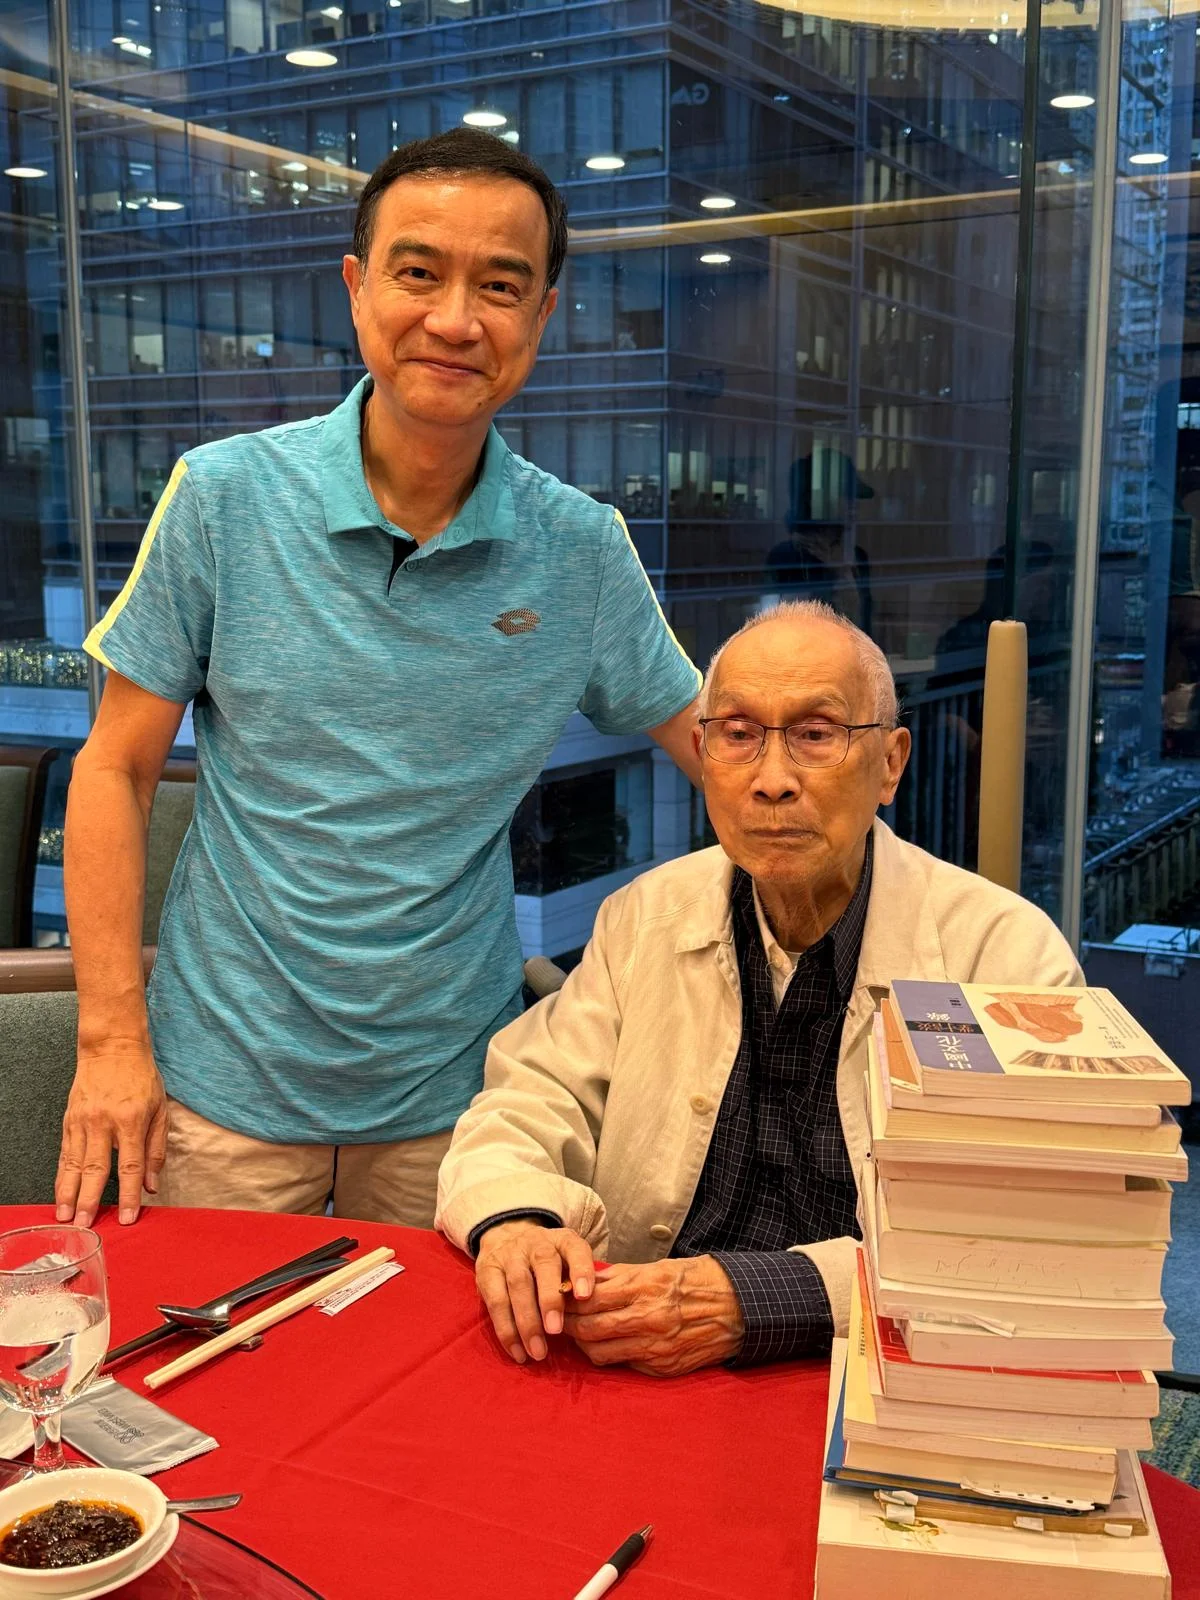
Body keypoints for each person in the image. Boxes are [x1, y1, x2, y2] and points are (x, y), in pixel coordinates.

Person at [56, 129, 701, 1233]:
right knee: (210, 1351)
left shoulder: (581, 549)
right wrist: (111, 1039)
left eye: (500, 286)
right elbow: (113, 769)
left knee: (447, 1352)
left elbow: (728, 750)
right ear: (357, 289)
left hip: (456, 1104)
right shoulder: (222, 498)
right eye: (418, 272)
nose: (455, 319)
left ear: (542, 316)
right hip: (218, 1091)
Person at [437, 600, 1083, 1375]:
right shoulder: (646, 916)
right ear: (704, 754)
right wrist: (518, 1217)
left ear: (890, 763)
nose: (772, 781)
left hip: (876, 1366)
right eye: (739, 735)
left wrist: (762, 1298)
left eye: (816, 734)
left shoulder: (1003, 956)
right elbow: (529, 1099)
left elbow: (1032, 1229)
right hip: (640, 1345)